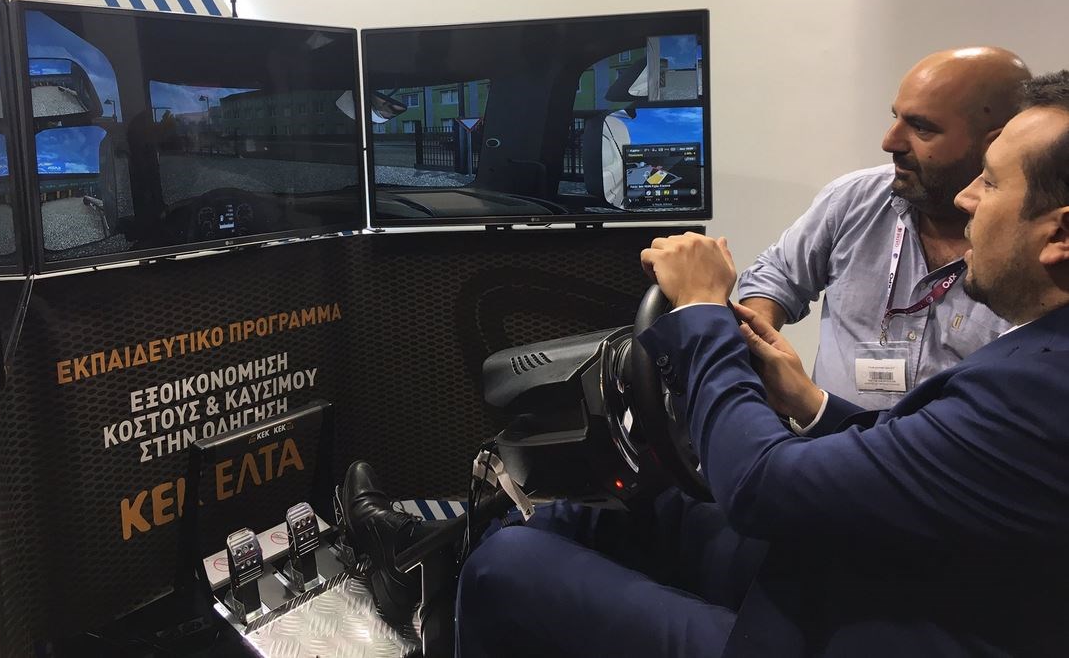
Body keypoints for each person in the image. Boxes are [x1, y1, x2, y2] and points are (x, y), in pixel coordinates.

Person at [451, 72, 1069, 657]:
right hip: (898, 567)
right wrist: (810, 404)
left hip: (861, 626)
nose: (967, 199)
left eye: (991, 183)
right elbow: (930, 451)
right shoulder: (1037, 360)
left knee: (504, 566)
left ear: (1060, 235)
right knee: (593, 518)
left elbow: (759, 487)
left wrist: (700, 313)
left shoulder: (1039, 394)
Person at [738, 47, 1031, 409]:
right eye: (896, 118)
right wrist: (761, 347)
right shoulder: (853, 198)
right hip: (826, 439)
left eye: (922, 128)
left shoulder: (1035, 248)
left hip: (956, 447)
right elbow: (777, 274)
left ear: (996, 143)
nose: (890, 142)